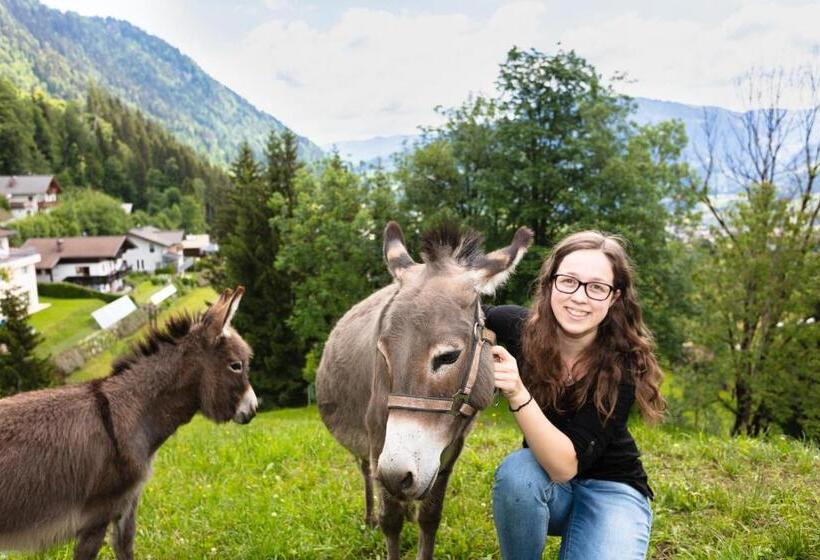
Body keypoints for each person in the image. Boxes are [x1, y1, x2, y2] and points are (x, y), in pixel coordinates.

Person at [487, 230, 665, 560]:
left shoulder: (623, 363)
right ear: (550, 283)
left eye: (596, 287)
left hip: (612, 490)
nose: (579, 297)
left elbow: (566, 467)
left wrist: (516, 391)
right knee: (518, 474)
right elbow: (455, 321)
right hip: (546, 487)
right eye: (568, 281)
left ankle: (600, 532)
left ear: (614, 297)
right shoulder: (514, 328)